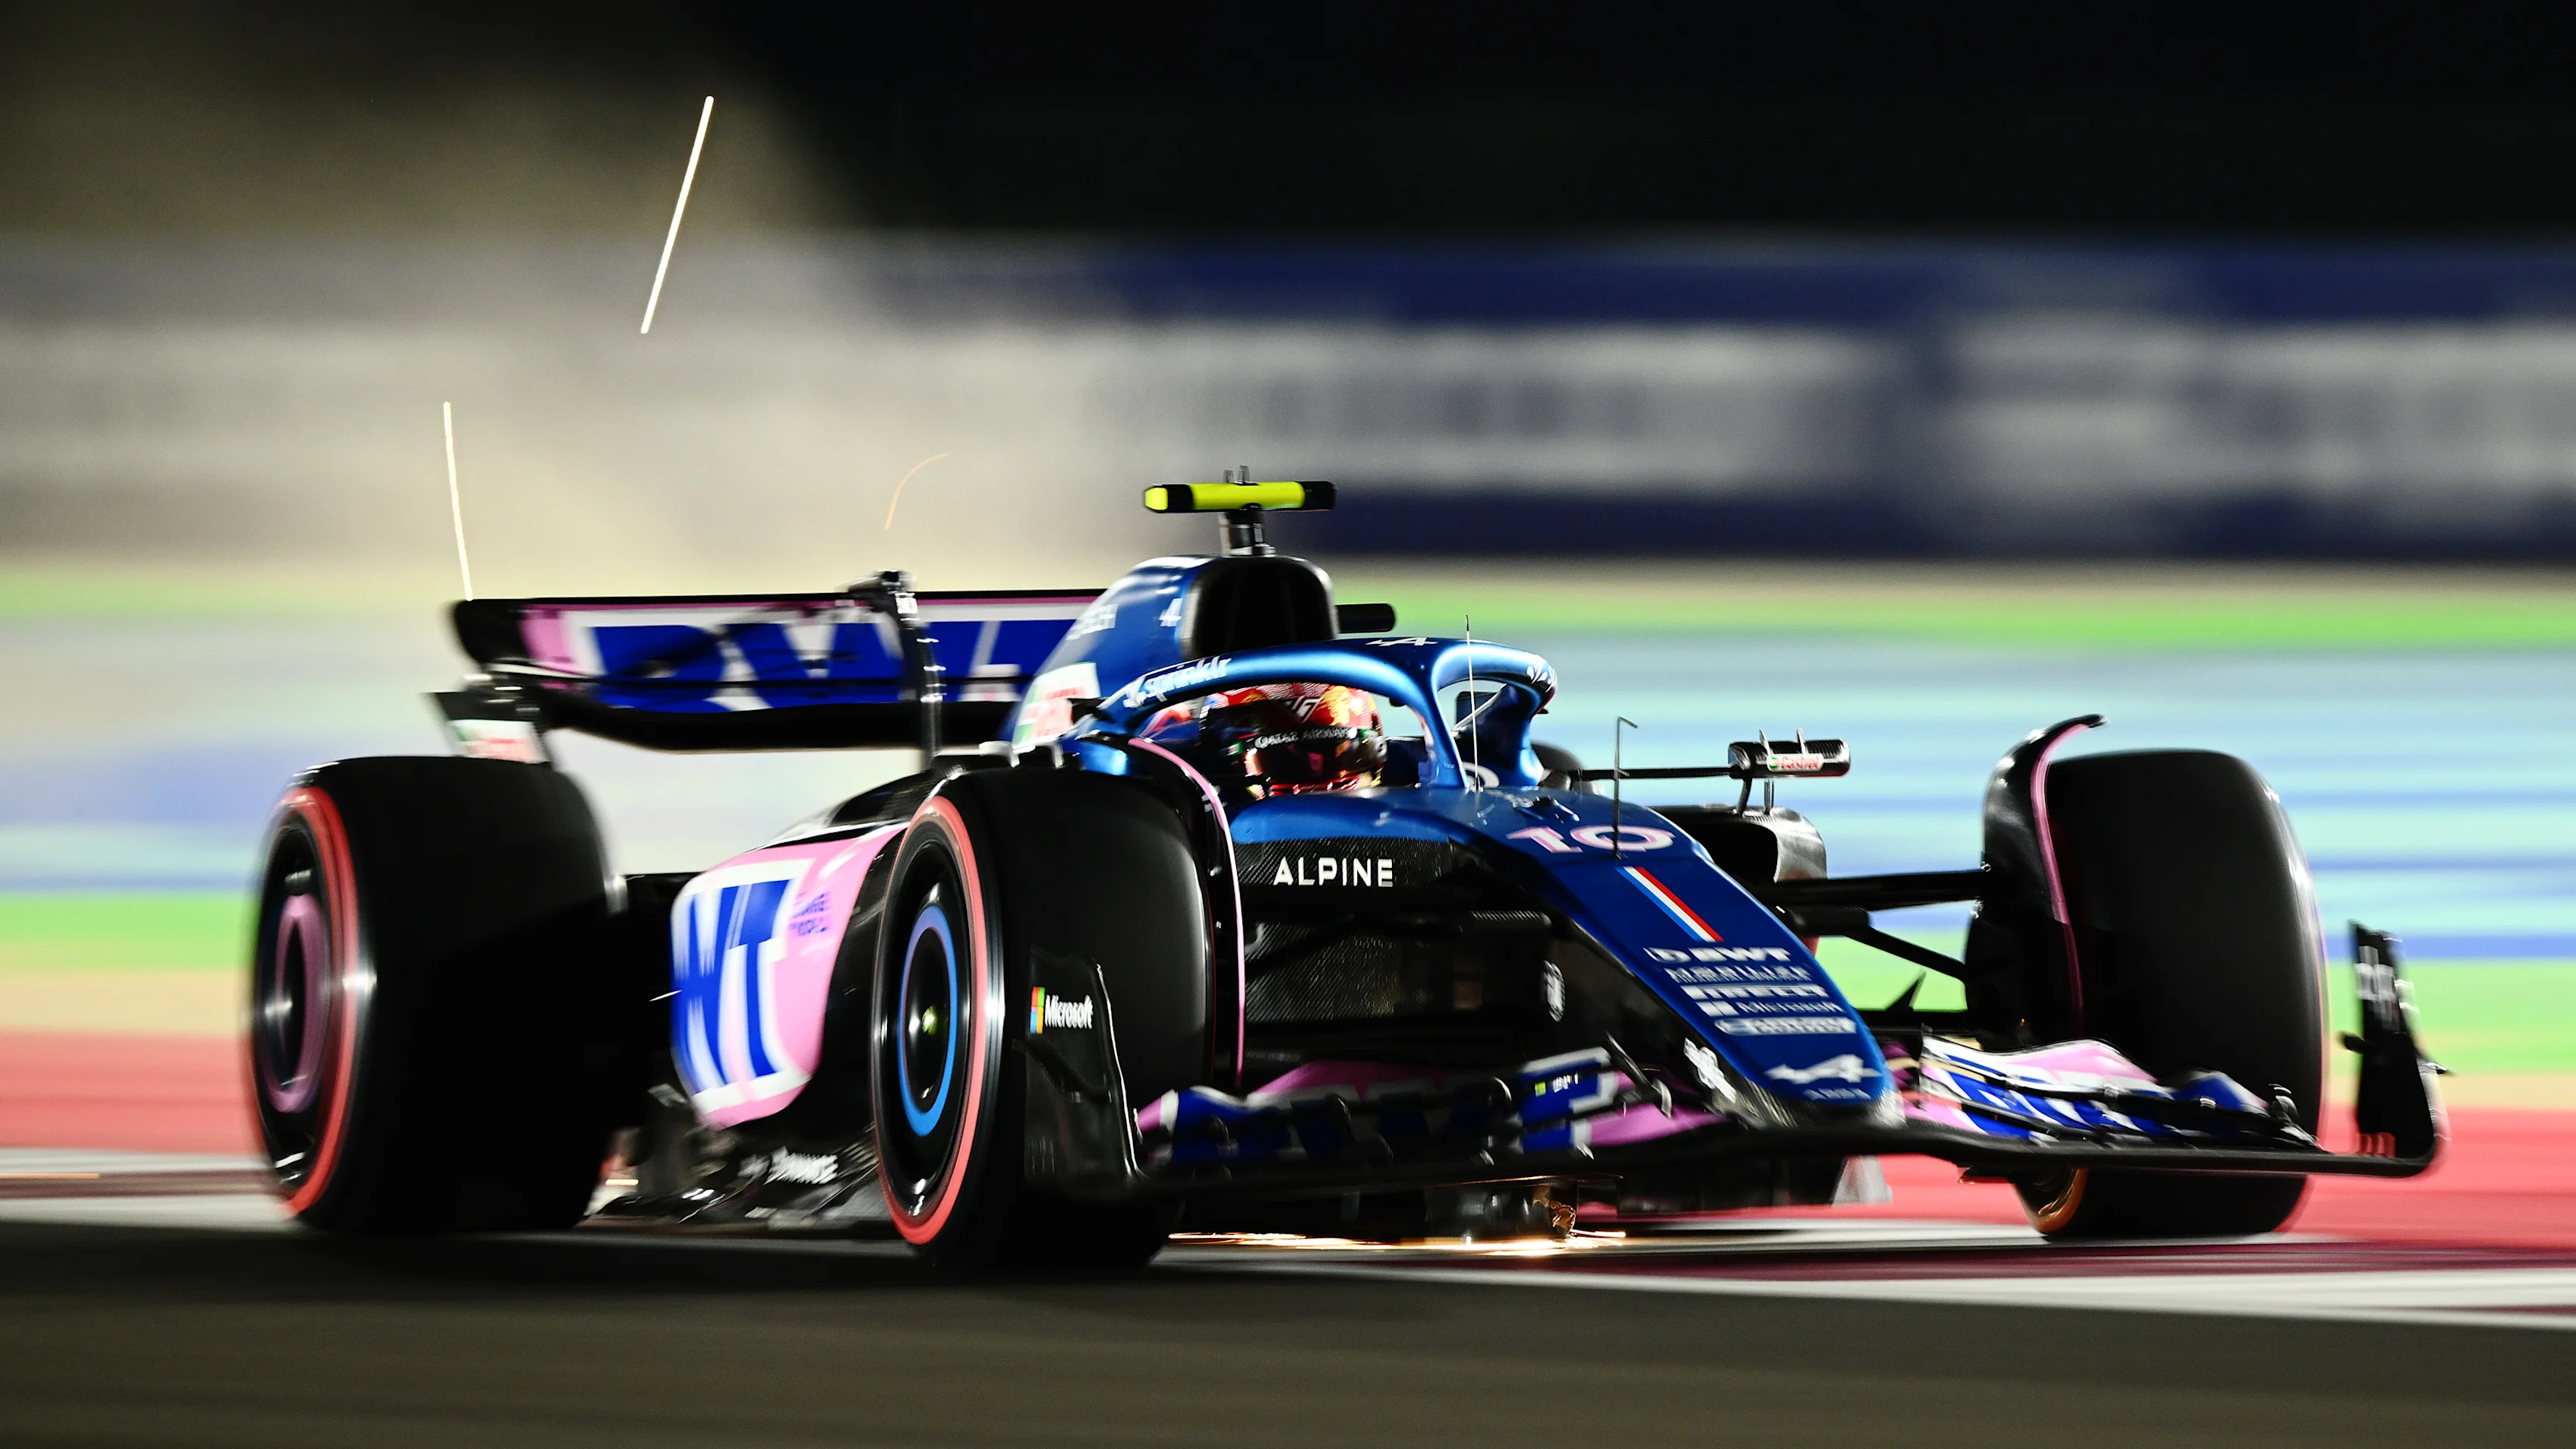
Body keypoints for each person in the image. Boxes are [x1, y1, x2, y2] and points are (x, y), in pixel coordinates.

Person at [1141, 683, 1386, 798]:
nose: (1317, 790)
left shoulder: (1411, 765)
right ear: (1231, 763)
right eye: (1282, 762)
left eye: (1337, 754)